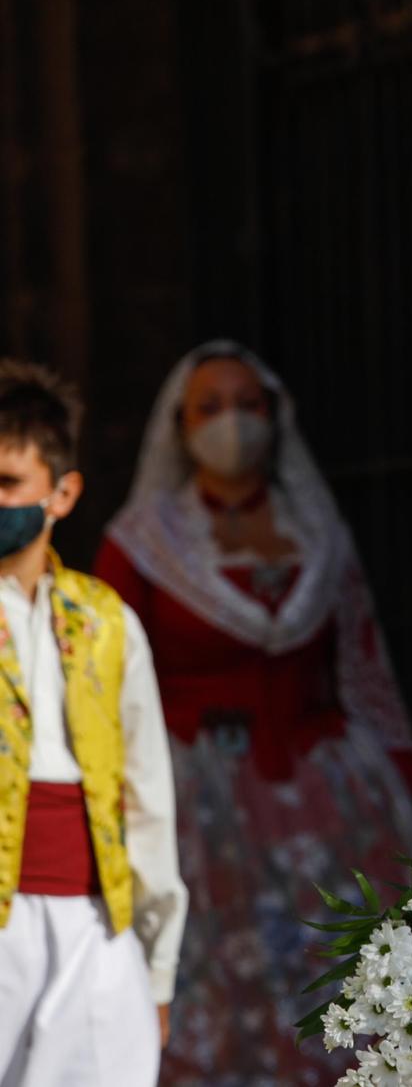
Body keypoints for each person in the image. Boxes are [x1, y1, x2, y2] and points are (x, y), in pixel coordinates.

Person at [95, 343, 412, 1085]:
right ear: (178, 427)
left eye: (248, 404)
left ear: (277, 418)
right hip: (199, 793)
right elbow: (105, 680)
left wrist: (403, 765)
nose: (232, 423)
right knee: (221, 984)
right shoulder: (143, 543)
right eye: (209, 407)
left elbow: (360, 659)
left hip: (326, 787)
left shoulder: (316, 528)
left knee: (348, 980)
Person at [0, 361, 184, 1082]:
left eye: (9, 483)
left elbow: (146, 797)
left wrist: (157, 960)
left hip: (95, 925)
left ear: (63, 491)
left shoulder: (108, 622)